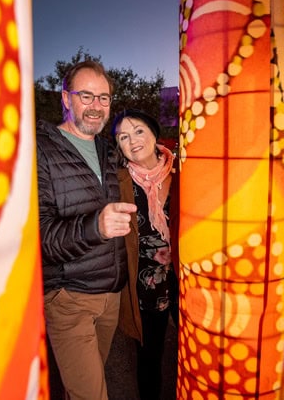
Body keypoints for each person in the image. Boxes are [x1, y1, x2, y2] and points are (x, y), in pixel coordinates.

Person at [36, 60, 136, 400]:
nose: (96, 106)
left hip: (110, 297)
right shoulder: (40, 150)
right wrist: (97, 226)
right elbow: (42, 237)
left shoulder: (106, 150)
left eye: (104, 98)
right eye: (86, 96)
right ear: (66, 98)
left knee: (80, 386)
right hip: (68, 298)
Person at [111, 109, 180, 400]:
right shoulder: (118, 182)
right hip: (145, 283)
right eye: (123, 137)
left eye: (138, 130)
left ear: (154, 132)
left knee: (197, 345)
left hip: (187, 276)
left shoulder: (183, 170)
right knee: (150, 357)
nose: (133, 140)